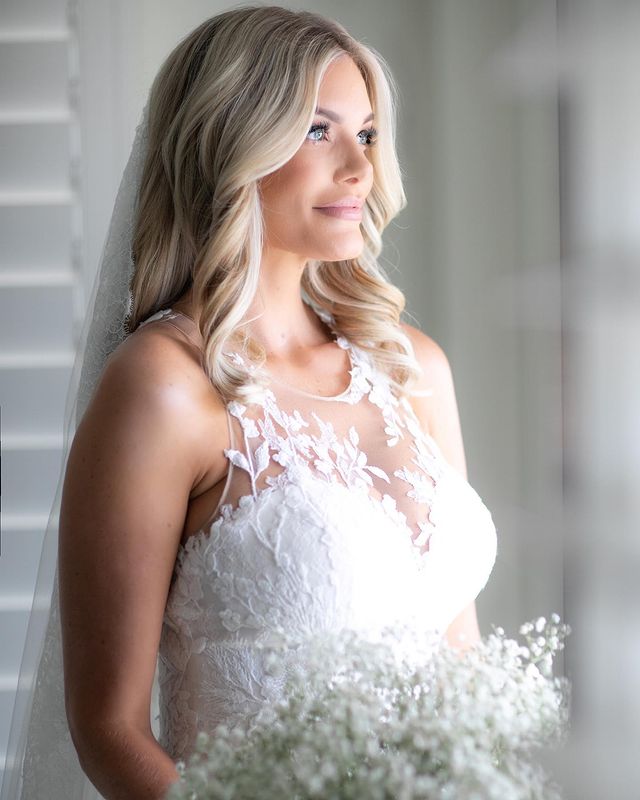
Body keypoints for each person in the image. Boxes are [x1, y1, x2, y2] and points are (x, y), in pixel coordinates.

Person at [1, 6, 498, 799]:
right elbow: (109, 729)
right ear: (231, 144)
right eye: (317, 131)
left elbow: (461, 667)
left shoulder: (414, 368)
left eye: (366, 134)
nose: (359, 168)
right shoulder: (164, 387)